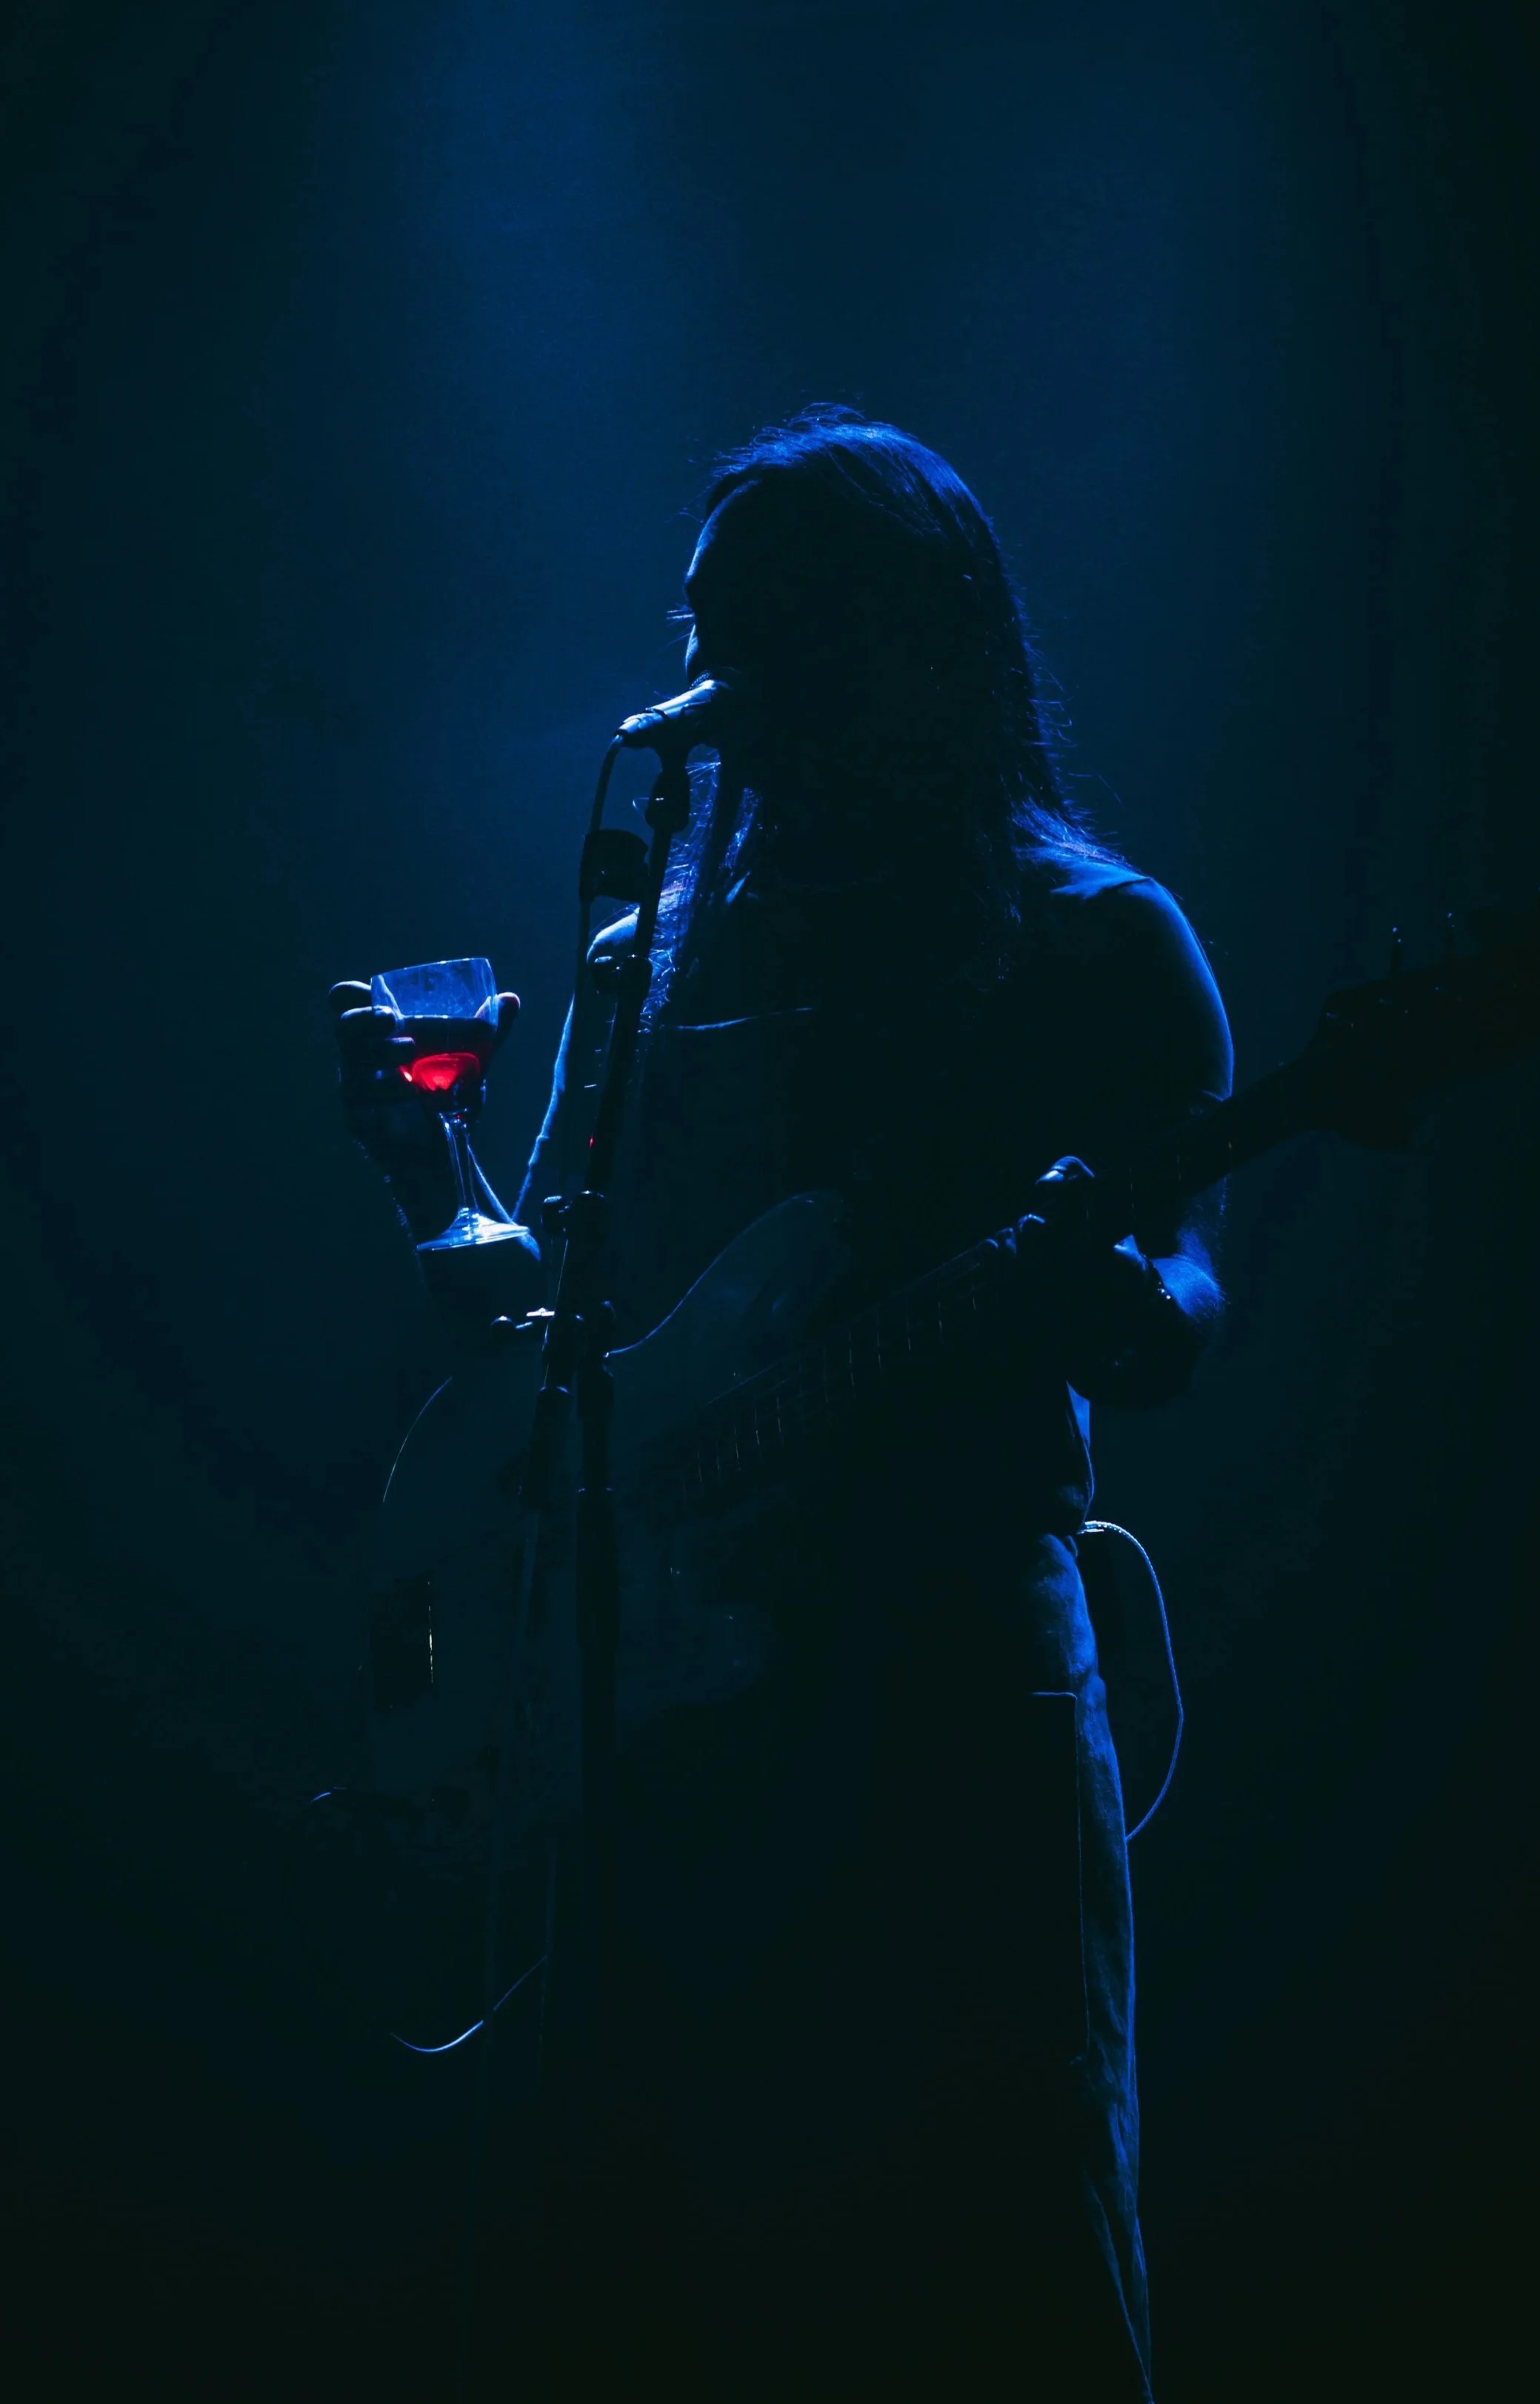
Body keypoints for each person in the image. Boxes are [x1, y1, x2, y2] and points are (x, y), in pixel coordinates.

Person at [332, 408, 1232, 2400]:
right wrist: (432, 1186)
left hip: (948, 1732)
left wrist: (1114, 1296)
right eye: (708, 634)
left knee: (991, 2282)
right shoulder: (649, 960)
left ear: (916, 638)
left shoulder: (1095, 940)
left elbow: (1181, 1304)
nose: (727, 693)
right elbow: (562, 1338)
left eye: (782, 636)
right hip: (670, 1758)